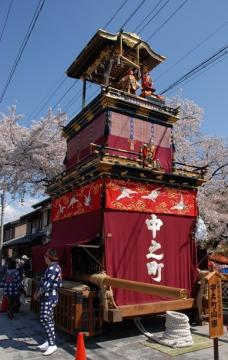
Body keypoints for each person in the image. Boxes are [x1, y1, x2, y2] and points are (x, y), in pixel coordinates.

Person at [34, 248, 62, 356]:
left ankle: (52, 344)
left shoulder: (53, 268)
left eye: (45, 256)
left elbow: (47, 285)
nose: (44, 258)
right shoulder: (51, 267)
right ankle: (49, 341)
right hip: (47, 296)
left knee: (44, 318)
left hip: (49, 296)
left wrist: (37, 294)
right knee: (49, 320)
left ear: (48, 257)